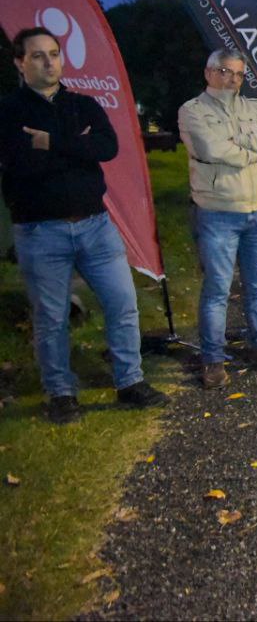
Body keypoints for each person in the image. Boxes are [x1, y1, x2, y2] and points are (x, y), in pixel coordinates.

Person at [0, 27, 169, 423]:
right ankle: (60, 392)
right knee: (52, 318)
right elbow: (21, 164)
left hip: (95, 226)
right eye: (38, 55)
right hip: (41, 231)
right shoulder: (8, 111)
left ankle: (130, 382)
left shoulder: (83, 104)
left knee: (123, 304)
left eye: (54, 54)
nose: (49, 62)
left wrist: (52, 142)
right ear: (19, 63)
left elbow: (107, 147)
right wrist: (76, 146)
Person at [179, 50, 257, 388]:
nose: (232, 79)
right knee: (217, 289)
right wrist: (255, 148)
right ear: (208, 73)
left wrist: (240, 143)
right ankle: (213, 359)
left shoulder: (254, 108)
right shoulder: (192, 111)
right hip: (217, 214)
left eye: (239, 74)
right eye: (224, 71)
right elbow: (211, 149)